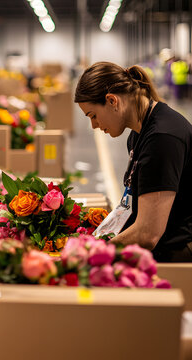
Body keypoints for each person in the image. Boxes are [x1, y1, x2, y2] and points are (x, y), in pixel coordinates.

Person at [75, 61, 192, 262]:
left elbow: (148, 234)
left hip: (176, 256)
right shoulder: (139, 133)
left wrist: (93, 252)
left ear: (112, 101)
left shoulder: (162, 138)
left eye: (93, 116)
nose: (94, 125)